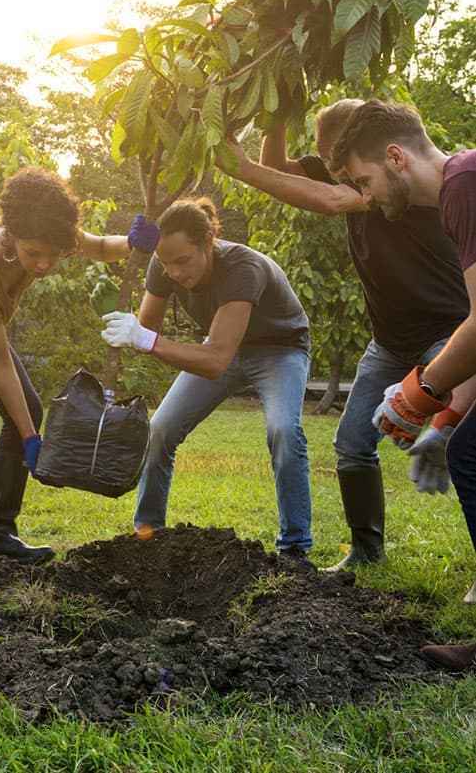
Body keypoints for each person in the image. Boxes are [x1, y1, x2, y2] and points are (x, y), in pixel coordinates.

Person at [217, 99, 470, 571]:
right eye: (328, 163)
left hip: (449, 330)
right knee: (352, 441)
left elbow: (329, 199)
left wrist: (243, 170)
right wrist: (276, 108)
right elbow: (281, 167)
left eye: (339, 164)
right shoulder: (348, 170)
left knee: (461, 444)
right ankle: (367, 551)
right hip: (389, 341)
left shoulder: (393, 183)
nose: (337, 174)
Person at [0, 166, 160, 572]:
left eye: (53, 255)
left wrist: (133, 241)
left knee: (28, 411)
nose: (43, 265)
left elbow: (99, 247)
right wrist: (30, 439)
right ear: (10, 233)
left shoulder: (52, 234)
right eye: (34, 253)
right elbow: (0, 365)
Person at [330, 98, 476, 671]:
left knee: (471, 454)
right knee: (466, 448)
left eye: (364, 181)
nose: (364, 197)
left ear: (395, 157)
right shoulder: (458, 189)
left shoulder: (462, 186)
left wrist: (419, 394)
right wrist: (440, 409)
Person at [101, 196, 315, 566]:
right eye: (166, 264)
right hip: (222, 345)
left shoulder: (242, 267)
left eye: (183, 261)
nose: (176, 272)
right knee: (160, 430)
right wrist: (123, 325)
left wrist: (146, 339)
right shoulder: (163, 264)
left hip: (279, 349)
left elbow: (215, 361)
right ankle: (147, 534)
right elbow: (146, 330)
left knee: (283, 430)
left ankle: (294, 549)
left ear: (209, 240)